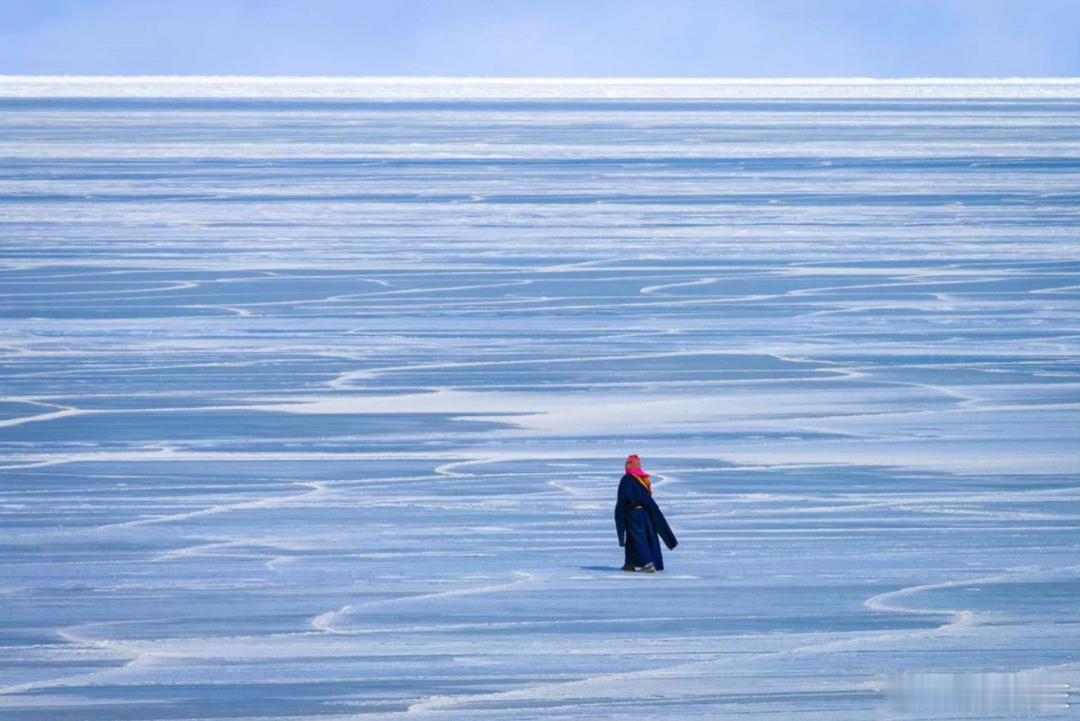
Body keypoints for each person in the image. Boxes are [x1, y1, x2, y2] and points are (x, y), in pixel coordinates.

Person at [614, 454, 677, 572]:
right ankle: (630, 563)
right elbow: (648, 501)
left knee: (638, 538)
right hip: (646, 514)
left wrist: (619, 519)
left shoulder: (627, 480)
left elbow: (621, 502)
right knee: (641, 538)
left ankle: (648, 563)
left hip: (634, 515)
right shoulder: (642, 480)